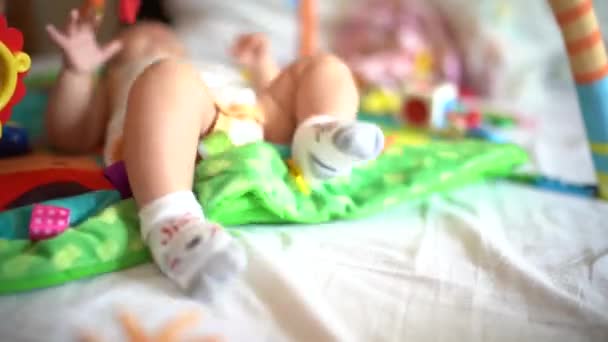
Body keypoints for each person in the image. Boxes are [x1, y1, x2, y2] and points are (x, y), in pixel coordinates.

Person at [44, 6, 384, 299]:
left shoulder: (202, 67)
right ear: (113, 67)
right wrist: (78, 73)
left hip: (244, 117)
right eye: (135, 45)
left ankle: (321, 138)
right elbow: (71, 134)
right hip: (171, 142)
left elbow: (274, 99)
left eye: (165, 37)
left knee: (322, 67)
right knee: (164, 76)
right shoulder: (126, 82)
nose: (154, 39)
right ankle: (172, 223)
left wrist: (261, 66)